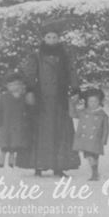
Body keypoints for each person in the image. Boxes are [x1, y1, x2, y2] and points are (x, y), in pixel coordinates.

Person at [18, 25, 81, 176]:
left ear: (59, 39)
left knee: (60, 131)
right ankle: (38, 165)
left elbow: (72, 72)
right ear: (43, 39)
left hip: (60, 99)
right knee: (41, 131)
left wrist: (75, 89)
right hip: (42, 100)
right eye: (48, 37)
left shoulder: (65, 56)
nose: (51, 40)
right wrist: (30, 91)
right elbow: (29, 74)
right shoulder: (37, 56)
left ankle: (59, 166)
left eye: (54, 37)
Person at [72, 87, 109, 181]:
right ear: (87, 102)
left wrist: (104, 139)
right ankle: (95, 172)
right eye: (90, 101)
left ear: (99, 102)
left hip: (96, 139)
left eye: (95, 101)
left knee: (94, 157)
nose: (92, 104)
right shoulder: (83, 112)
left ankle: (95, 173)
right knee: (89, 156)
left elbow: (106, 128)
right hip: (85, 140)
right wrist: (73, 101)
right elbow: (72, 113)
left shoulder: (102, 115)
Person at [0, 74, 31, 168]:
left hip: (18, 126)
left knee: (14, 147)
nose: (15, 87)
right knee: (4, 146)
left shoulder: (22, 97)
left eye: (17, 84)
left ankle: (11, 162)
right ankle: (1, 161)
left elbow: (26, 109)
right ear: (8, 86)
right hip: (5, 126)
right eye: (12, 85)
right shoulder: (4, 97)